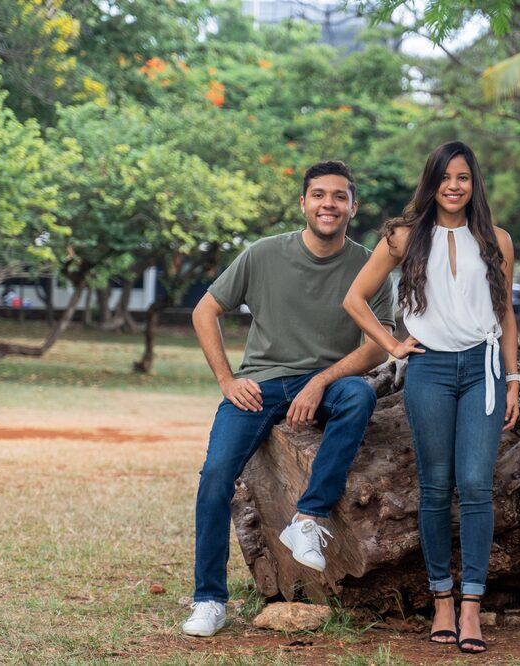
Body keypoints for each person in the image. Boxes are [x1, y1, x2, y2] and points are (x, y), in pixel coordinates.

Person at [182, 161, 395, 637]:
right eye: (319, 195)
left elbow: (378, 345)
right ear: (303, 203)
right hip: (259, 385)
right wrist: (226, 380)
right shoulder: (263, 254)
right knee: (215, 476)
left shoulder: (368, 265)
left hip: (329, 383)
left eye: (339, 197)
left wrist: (321, 381)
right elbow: (205, 309)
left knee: (358, 395)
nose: (328, 204)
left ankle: (308, 516)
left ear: (353, 207)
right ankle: (210, 599)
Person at [343, 141, 519, 655]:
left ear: (473, 183)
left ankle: (471, 606)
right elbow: (354, 299)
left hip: (483, 369)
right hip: (429, 369)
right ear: (432, 181)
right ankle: (441, 596)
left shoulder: (497, 240)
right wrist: (394, 345)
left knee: (475, 484)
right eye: (445, 176)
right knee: (437, 485)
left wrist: (512, 379)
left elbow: (506, 314)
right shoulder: (403, 237)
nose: (454, 185)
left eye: (463, 177)